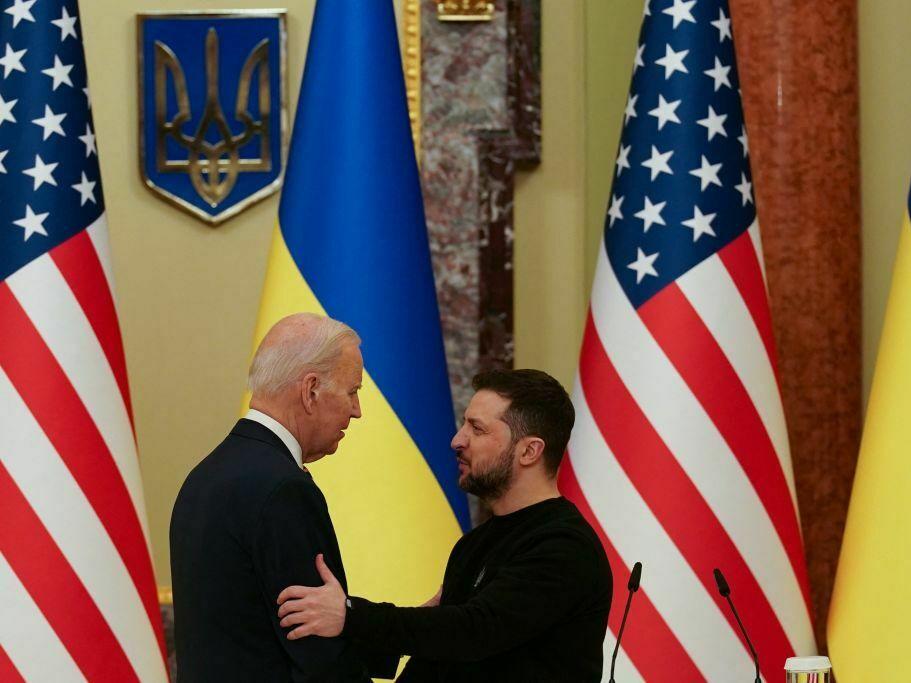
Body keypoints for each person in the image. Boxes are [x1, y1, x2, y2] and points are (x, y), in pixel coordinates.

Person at [276, 369, 612, 682]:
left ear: (529, 451)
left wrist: (350, 616)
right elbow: (440, 654)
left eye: (477, 429)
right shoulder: (475, 544)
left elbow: (474, 632)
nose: (457, 440)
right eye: (464, 425)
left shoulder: (564, 547)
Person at [169, 313, 397, 682]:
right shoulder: (283, 488)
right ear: (310, 391)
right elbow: (314, 645)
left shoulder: (205, 475)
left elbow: (247, 626)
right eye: (352, 391)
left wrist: (407, 628)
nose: (357, 411)